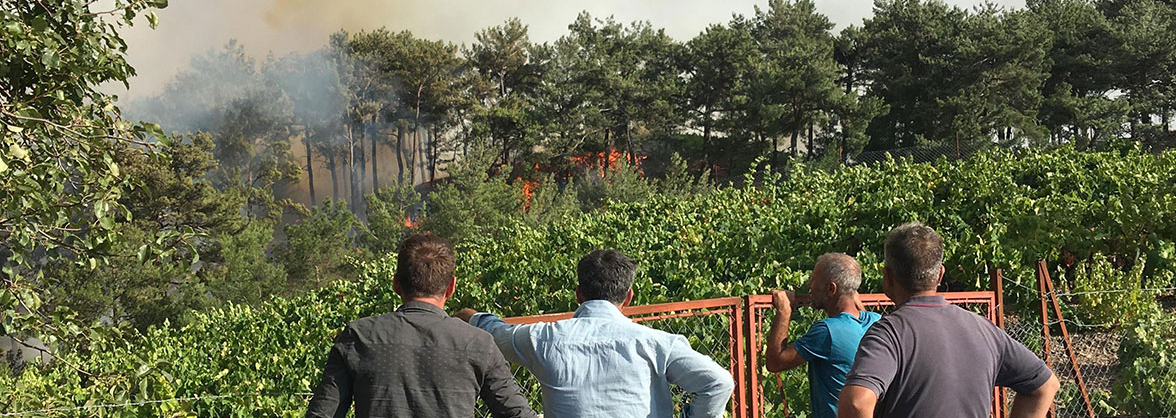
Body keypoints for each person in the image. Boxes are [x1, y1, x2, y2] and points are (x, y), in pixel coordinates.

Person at [454, 248, 735, 418]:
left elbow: (498, 334)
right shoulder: (658, 343)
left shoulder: (542, 339)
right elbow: (719, 383)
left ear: (578, 294)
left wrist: (470, 316)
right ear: (629, 297)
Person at [838, 223, 1060, 418]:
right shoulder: (983, 329)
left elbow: (857, 403)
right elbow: (1044, 386)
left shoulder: (889, 334)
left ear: (887, 277)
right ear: (940, 274)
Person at [305, 233, 536, 418]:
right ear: (451, 287)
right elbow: (516, 413)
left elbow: (323, 412)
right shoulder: (478, 343)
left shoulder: (358, 337)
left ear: (396, 284)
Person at [764, 253, 880, 418]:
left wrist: (784, 310)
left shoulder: (827, 331)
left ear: (831, 289)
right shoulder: (876, 322)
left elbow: (775, 362)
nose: (808, 285)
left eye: (814, 280)